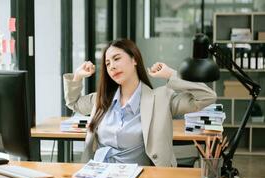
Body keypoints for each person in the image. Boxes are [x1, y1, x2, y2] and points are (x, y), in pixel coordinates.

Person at [63, 38, 216, 167]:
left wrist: (171, 75)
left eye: (116, 59)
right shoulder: (102, 99)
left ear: (134, 59)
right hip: (99, 175)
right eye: (107, 63)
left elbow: (206, 96)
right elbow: (74, 102)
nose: (112, 66)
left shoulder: (161, 99)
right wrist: (77, 76)